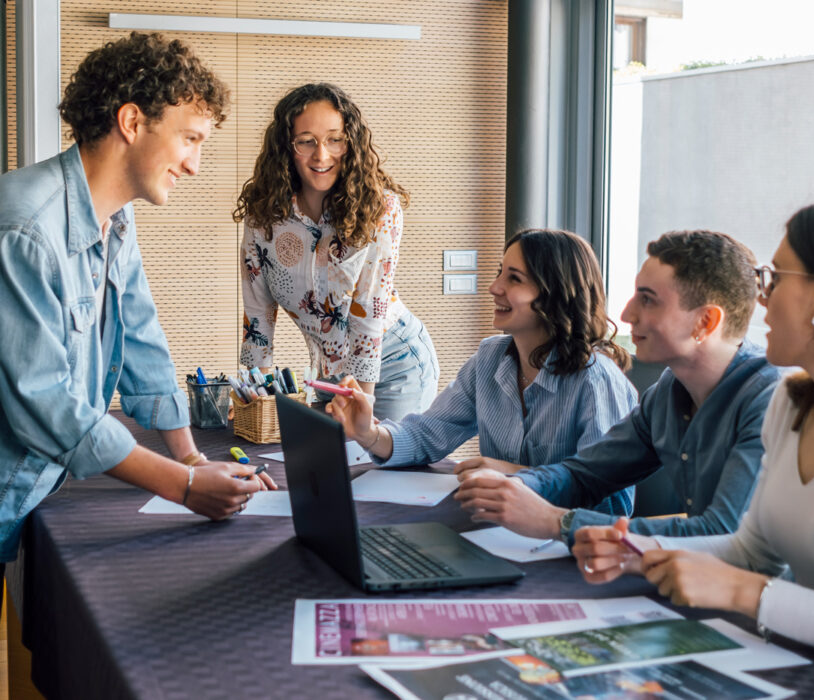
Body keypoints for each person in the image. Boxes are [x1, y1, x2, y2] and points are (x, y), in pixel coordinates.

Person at [575, 197, 814, 672]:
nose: (760, 296)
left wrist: (746, 593)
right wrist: (638, 552)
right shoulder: (790, 405)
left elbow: (751, 581)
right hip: (802, 666)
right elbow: (751, 552)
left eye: (775, 278)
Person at [0, 33, 275, 570]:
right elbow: (46, 406)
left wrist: (191, 456)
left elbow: (142, 339)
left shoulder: (116, 219)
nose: (194, 165)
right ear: (131, 122)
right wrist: (186, 486)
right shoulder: (25, 229)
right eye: (189, 139)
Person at [455, 230, 779, 542]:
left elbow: (718, 533)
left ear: (705, 323)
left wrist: (558, 522)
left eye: (648, 300)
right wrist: (514, 485)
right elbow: (587, 473)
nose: (626, 314)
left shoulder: (768, 401)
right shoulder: (668, 391)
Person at [327, 229, 637, 516]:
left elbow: (612, 505)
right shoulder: (490, 357)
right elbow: (427, 434)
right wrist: (369, 433)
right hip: (499, 530)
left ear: (555, 295)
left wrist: (515, 475)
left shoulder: (597, 380)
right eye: (499, 273)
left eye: (514, 279)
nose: (494, 287)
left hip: (565, 552)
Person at [234, 83, 438, 421]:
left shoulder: (379, 209)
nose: (321, 155)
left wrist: (363, 407)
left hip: (397, 365)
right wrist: (257, 395)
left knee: (377, 467)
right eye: (306, 141)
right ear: (286, 147)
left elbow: (368, 314)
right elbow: (257, 314)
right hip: (332, 375)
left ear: (351, 142)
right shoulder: (263, 215)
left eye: (334, 139)